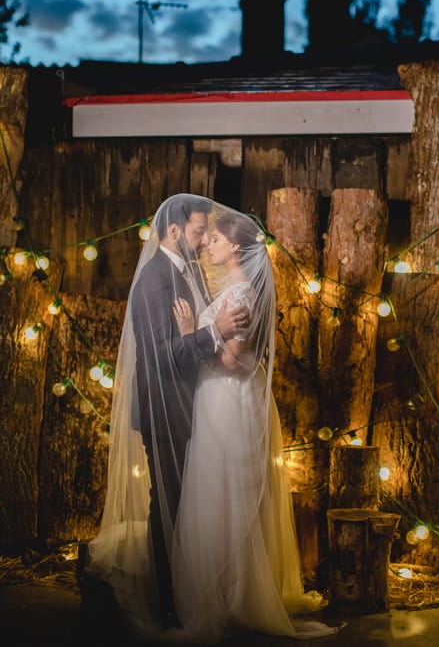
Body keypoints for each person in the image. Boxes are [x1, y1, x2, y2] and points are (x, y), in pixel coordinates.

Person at [170, 208, 336, 643]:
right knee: (223, 489)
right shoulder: (238, 290)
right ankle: (228, 588)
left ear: (237, 247)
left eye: (217, 240)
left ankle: (232, 594)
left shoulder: (241, 295)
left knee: (224, 490)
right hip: (225, 398)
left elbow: (230, 360)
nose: (209, 244)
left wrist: (191, 334)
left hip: (228, 399)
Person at [85, 194, 249, 637]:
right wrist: (214, 332)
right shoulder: (155, 281)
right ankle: (169, 603)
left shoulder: (184, 271)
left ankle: (187, 592)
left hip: (188, 404)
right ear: (173, 230)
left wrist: (203, 334)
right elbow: (160, 356)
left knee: (184, 506)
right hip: (163, 406)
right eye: (198, 232)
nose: (201, 241)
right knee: (169, 507)